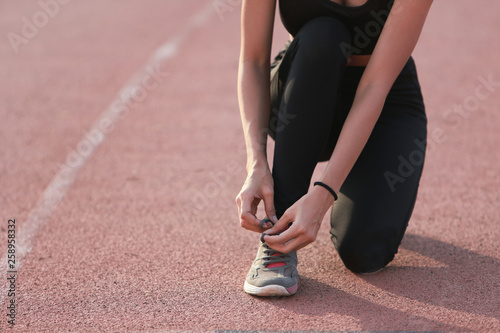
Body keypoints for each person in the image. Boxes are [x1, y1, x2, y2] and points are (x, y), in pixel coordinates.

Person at [235, 0, 434, 296]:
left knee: (364, 252)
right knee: (324, 34)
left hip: (383, 98)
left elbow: (374, 87)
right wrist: (257, 162)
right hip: (302, 85)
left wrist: (324, 193)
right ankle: (277, 244)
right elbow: (253, 60)